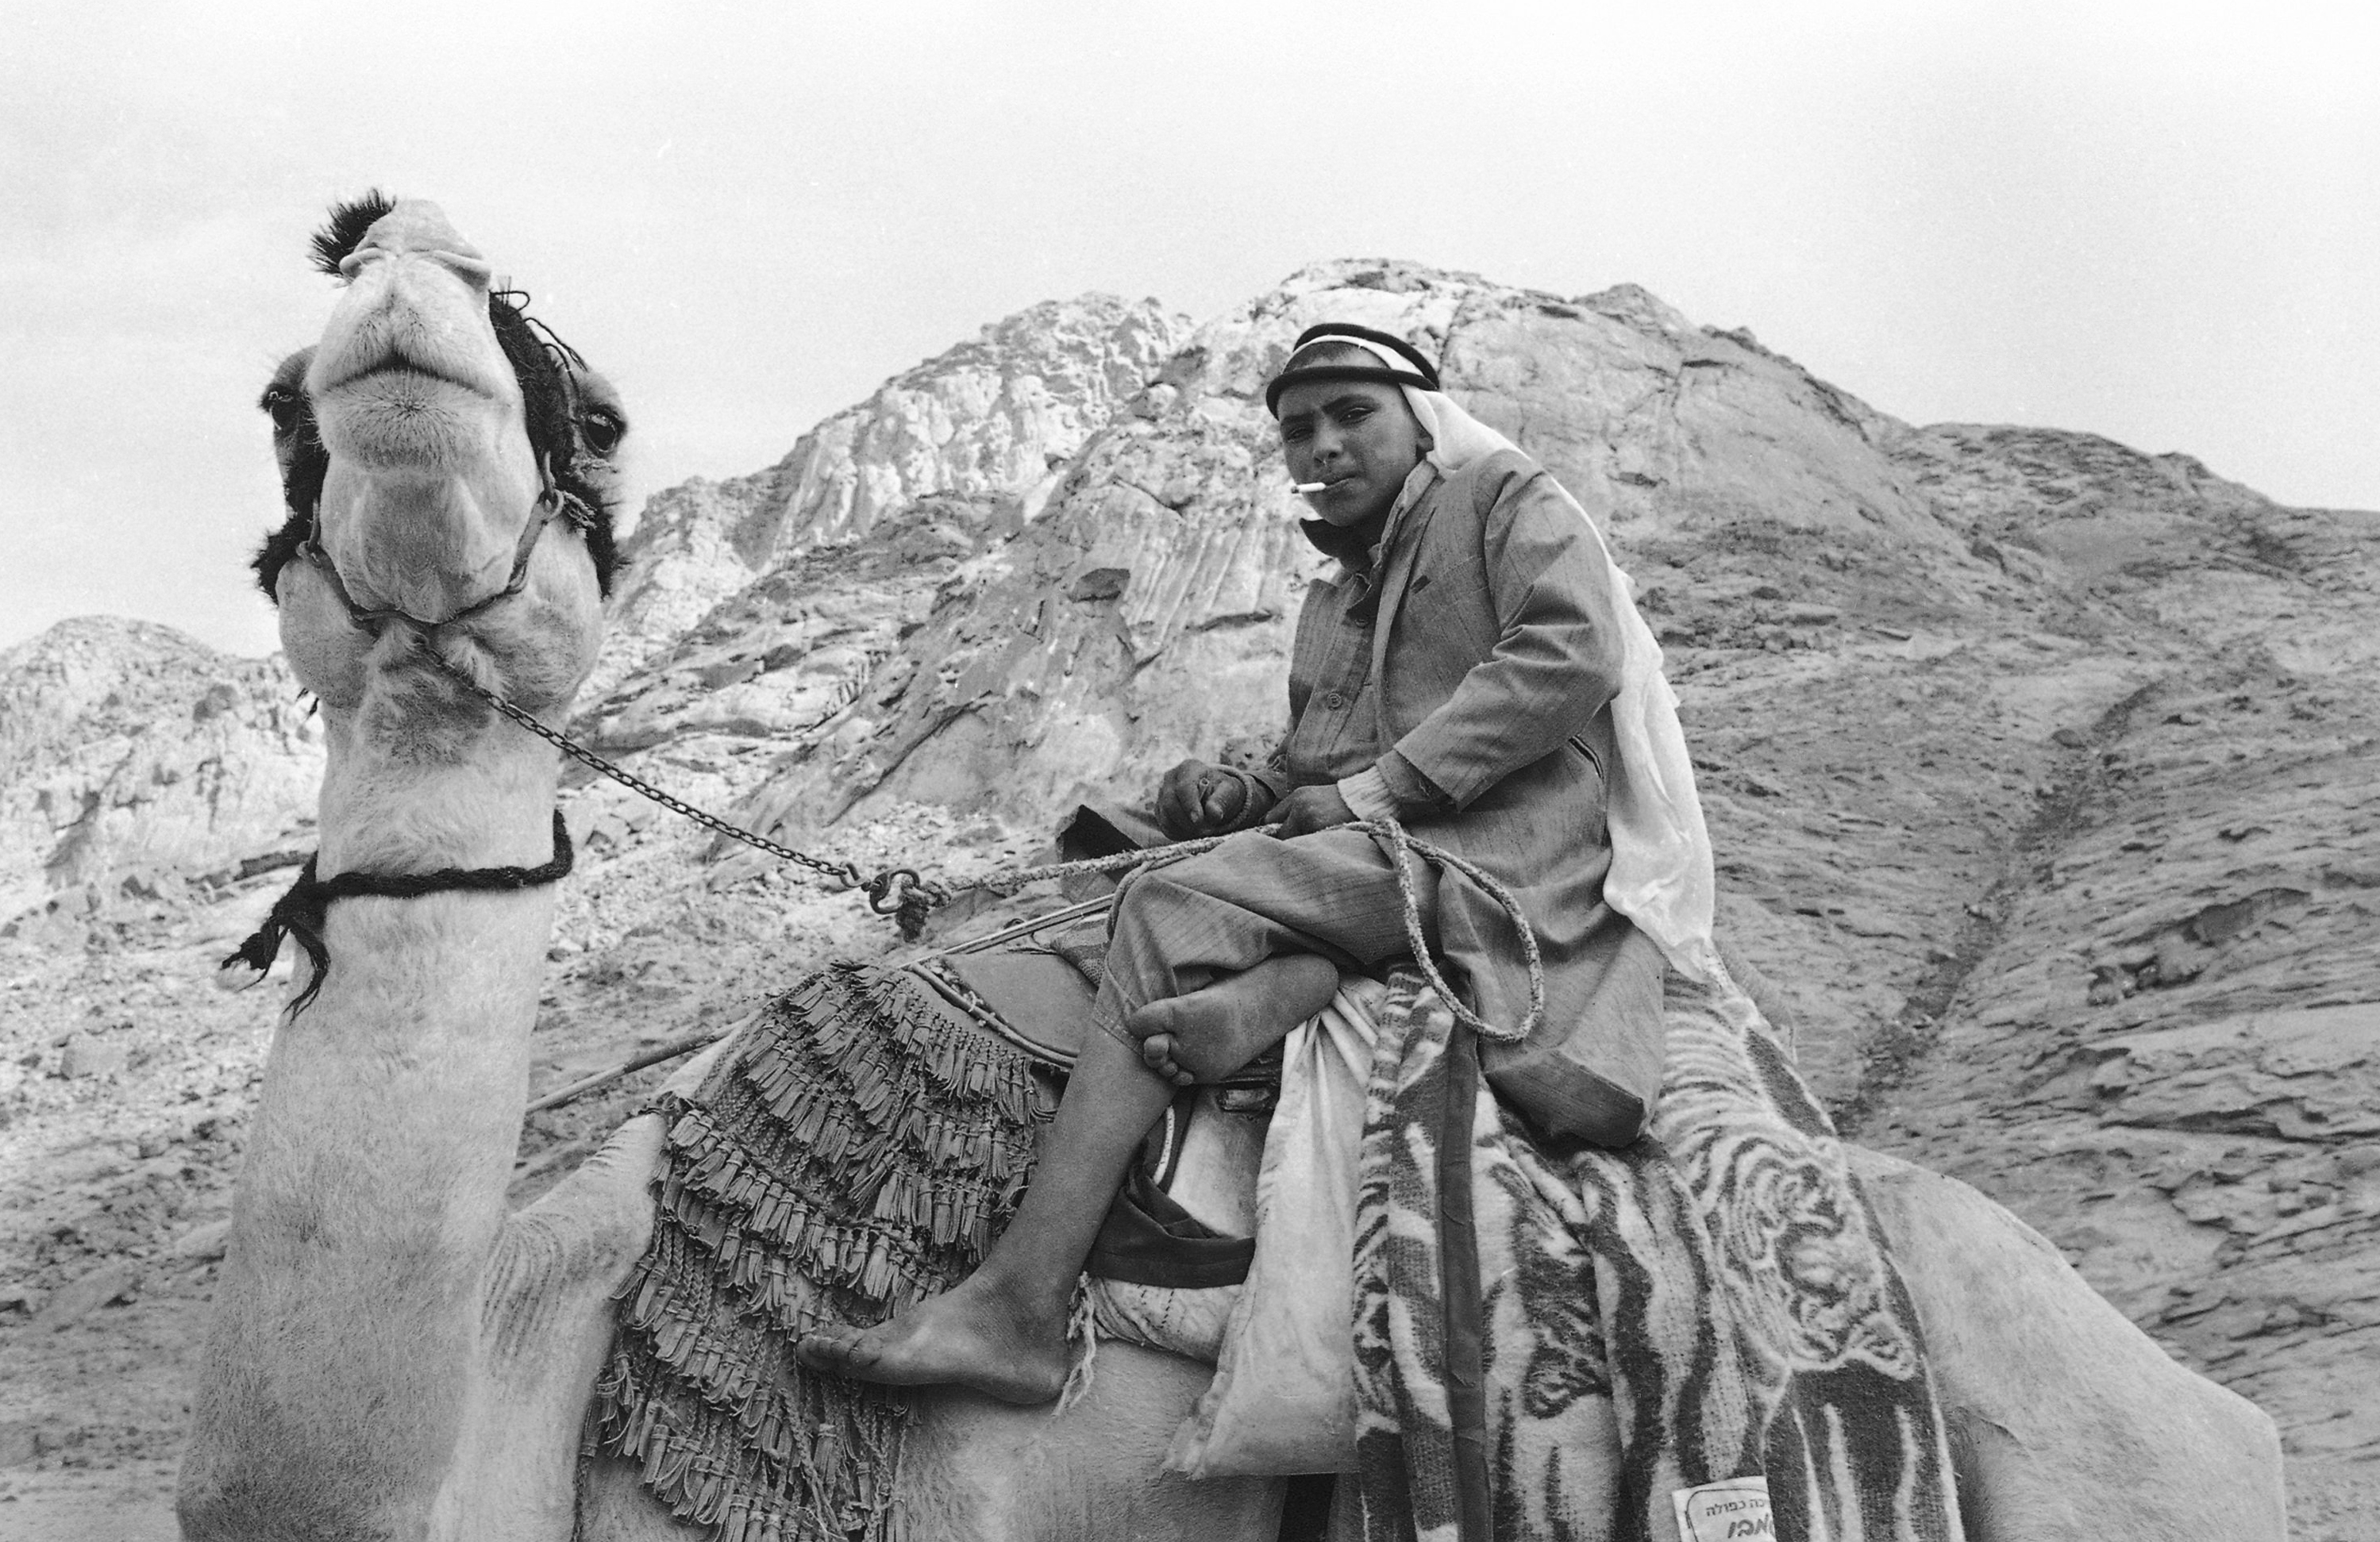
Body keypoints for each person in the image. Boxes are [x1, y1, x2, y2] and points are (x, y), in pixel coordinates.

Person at [797, 322, 1690, 1405]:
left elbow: (1569, 653)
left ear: (1421, 419)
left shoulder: (1505, 497)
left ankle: (1018, 1309)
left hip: (1493, 859)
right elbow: (1318, 750)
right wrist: (1239, 790)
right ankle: (1285, 987)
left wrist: (1375, 794)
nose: (1321, 445)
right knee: (1130, 865)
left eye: (1351, 414)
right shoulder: (1337, 591)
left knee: (1171, 908)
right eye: (1298, 429)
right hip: (1373, 849)